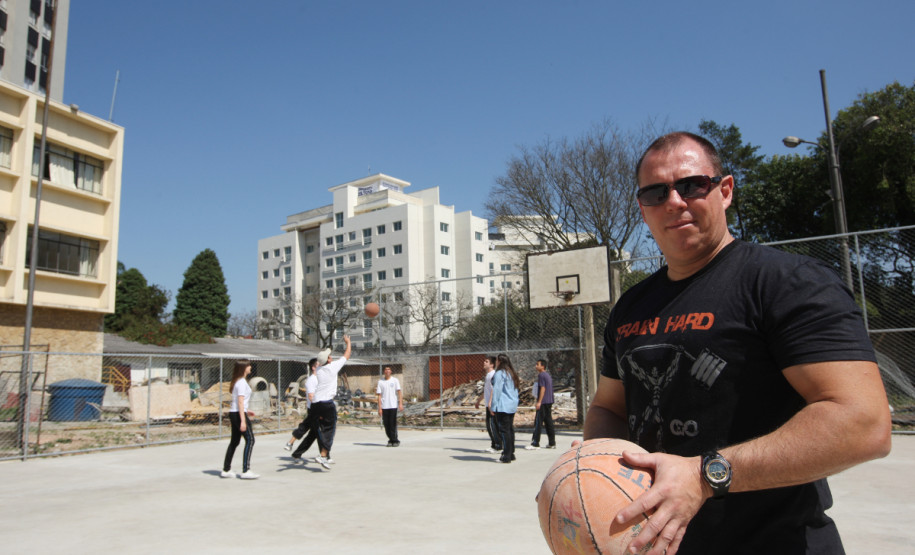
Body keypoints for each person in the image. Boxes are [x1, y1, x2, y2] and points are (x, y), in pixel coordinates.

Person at [583, 131, 892, 554]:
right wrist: (594, 470)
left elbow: (863, 423)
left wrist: (705, 475)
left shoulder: (785, 282)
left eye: (691, 185)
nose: (674, 201)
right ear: (643, 208)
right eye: (656, 192)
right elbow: (608, 408)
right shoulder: (630, 308)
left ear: (724, 190)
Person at [309, 335, 352, 470]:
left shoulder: (320, 369)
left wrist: (328, 350)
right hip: (326, 403)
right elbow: (347, 354)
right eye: (329, 356)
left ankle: (324, 455)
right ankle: (323, 455)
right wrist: (348, 342)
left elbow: (323, 359)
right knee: (330, 431)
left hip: (316, 404)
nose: (331, 357)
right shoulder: (332, 367)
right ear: (328, 360)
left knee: (322, 430)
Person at [221, 359, 259, 479]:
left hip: (235, 412)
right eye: (248, 365)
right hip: (238, 414)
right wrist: (243, 420)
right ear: (243, 368)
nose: (250, 367)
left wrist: (247, 410)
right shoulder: (241, 382)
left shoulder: (238, 381)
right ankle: (246, 470)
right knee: (250, 440)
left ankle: (226, 469)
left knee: (235, 441)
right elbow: (240, 401)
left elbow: (239, 403)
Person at [283, 358, 319, 459]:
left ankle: (294, 449)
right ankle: (325, 455)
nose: (321, 366)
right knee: (315, 431)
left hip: (317, 408)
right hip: (314, 408)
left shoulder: (319, 378)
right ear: (313, 367)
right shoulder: (312, 380)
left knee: (313, 432)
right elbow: (311, 396)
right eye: (318, 365)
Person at [490, 353, 520, 464]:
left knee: (504, 430)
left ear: (500, 362)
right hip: (511, 404)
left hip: (503, 405)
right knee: (510, 430)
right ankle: (511, 453)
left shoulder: (500, 373)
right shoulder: (511, 373)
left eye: (497, 360)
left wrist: (493, 406)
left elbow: (497, 390)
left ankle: (506, 455)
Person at [525, 359, 556, 450]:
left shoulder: (542, 375)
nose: (536, 366)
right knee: (548, 422)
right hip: (549, 401)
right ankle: (552, 442)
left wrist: (539, 401)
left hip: (543, 402)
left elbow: (543, 388)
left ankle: (535, 443)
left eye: (537, 364)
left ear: (543, 366)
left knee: (538, 422)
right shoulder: (547, 375)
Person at [475, 356, 501, 453]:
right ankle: (494, 445)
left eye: (486, 361)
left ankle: (498, 446)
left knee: (492, 425)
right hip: (488, 404)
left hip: (492, 405)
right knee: (490, 425)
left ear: (492, 364)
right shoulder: (488, 375)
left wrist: (490, 402)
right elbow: (486, 390)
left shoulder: (493, 375)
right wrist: (478, 400)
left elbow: (494, 390)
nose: (484, 363)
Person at [376, 365, 404, 446]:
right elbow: (379, 395)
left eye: (389, 369)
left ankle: (395, 440)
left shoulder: (395, 380)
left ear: (391, 371)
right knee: (386, 424)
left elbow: (399, 392)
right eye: (386, 369)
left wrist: (400, 404)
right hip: (385, 406)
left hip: (393, 405)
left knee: (392, 424)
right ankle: (390, 439)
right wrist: (380, 408)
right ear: (384, 371)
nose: (387, 371)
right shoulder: (380, 382)